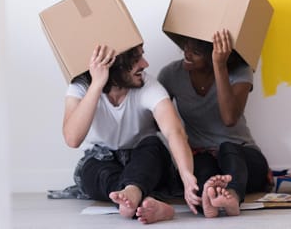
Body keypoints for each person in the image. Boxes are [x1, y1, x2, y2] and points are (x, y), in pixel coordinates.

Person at [63, 44, 201, 224]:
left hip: (143, 160)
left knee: (152, 145)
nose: (145, 64)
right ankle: (137, 200)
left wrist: (186, 174)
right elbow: (72, 139)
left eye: (141, 56)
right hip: (103, 160)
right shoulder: (81, 86)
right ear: (113, 65)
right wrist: (97, 84)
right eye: (135, 60)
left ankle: (132, 195)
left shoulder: (148, 84)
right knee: (92, 170)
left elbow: (174, 131)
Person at [158, 29, 271, 218]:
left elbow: (229, 118)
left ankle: (232, 196)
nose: (187, 54)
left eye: (196, 52)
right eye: (186, 47)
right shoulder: (171, 74)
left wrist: (219, 66)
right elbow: (156, 122)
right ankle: (208, 199)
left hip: (242, 157)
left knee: (228, 149)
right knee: (201, 164)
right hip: (203, 155)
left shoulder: (240, 71)